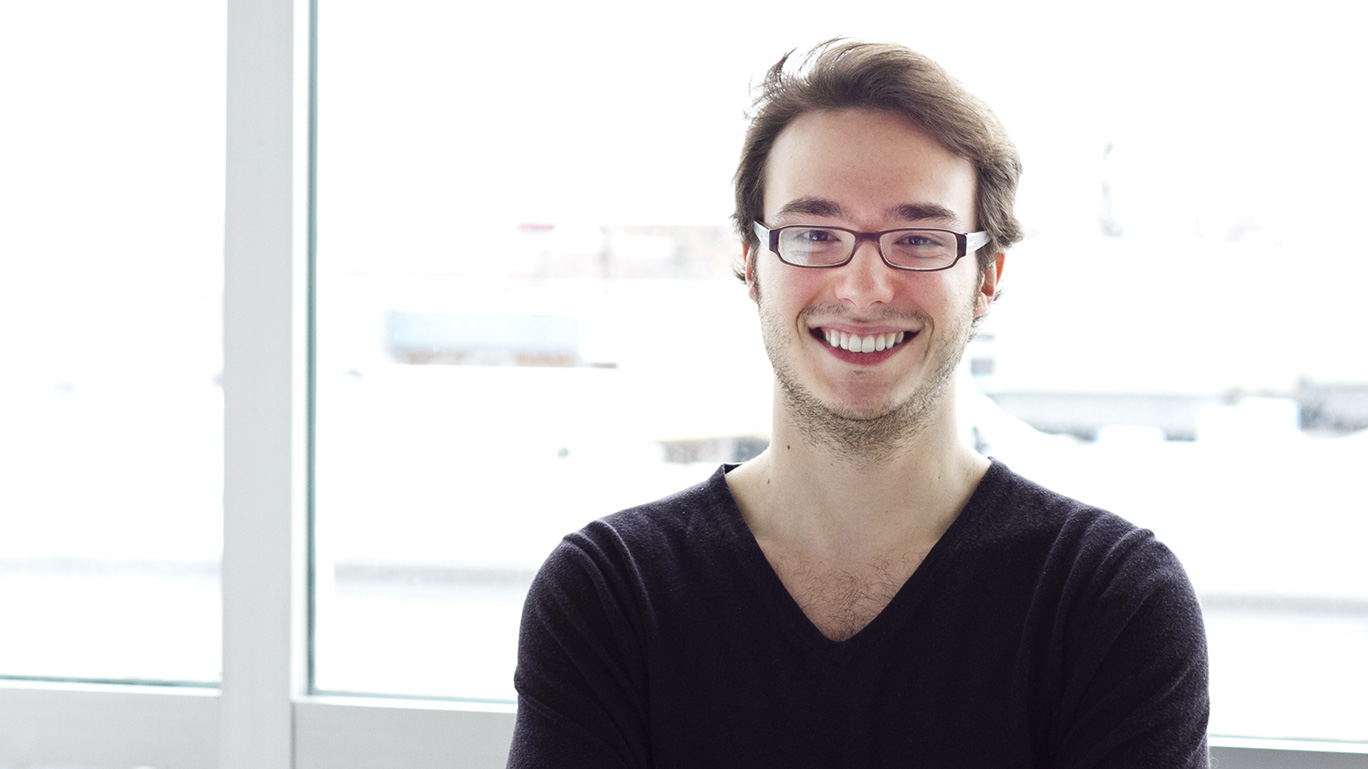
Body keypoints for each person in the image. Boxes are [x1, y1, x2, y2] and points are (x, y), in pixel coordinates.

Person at [507, 40, 1209, 767]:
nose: (864, 288)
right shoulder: (611, 594)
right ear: (750, 263)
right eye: (814, 234)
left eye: (919, 238)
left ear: (988, 277)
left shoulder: (1111, 601)